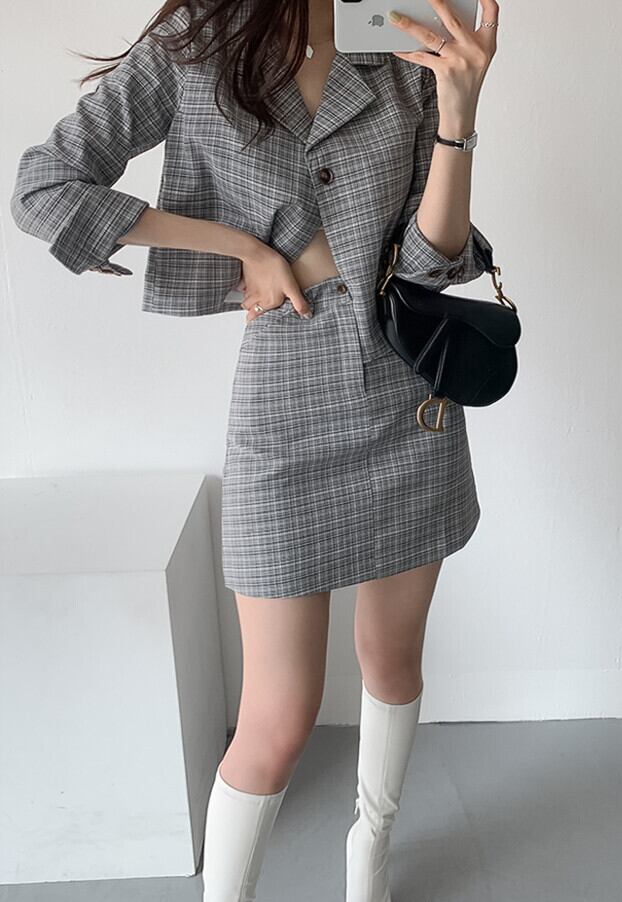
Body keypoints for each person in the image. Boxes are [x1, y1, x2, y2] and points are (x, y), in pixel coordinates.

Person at [9, 0, 499, 898]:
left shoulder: (401, 45)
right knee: (277, 718)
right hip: (284, 399)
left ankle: (371, 856)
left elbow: (432, 265)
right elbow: (44, 188)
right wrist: (237, 247)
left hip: (407, 394)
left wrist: (459, 112)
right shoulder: (196, 44)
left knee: (393, 661)